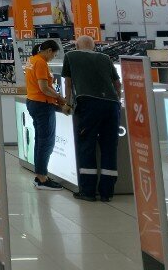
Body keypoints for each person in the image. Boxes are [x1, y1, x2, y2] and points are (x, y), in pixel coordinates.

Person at [63, 35, 123, 202]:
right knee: (109, 147)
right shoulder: (105, 58)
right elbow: (117, 84)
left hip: (88, 104)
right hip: (111, 105)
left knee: (87, 145)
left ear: (76, 46)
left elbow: (68, 83)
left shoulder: (70, 56)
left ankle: (88, 191)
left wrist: (67, 103)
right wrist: (117, 101)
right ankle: (106, 192)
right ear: (94, 47)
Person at [24, 39, 69, 190]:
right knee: (46, 142)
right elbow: (44, 88)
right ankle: (42, 178)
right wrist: (60, 98)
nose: (53, 58)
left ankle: (40, 175)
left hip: (33, 102)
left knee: (40, 141)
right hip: (42, 105)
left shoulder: (32, 60)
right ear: (49, 50)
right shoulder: (41, 63)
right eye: (54, 55)